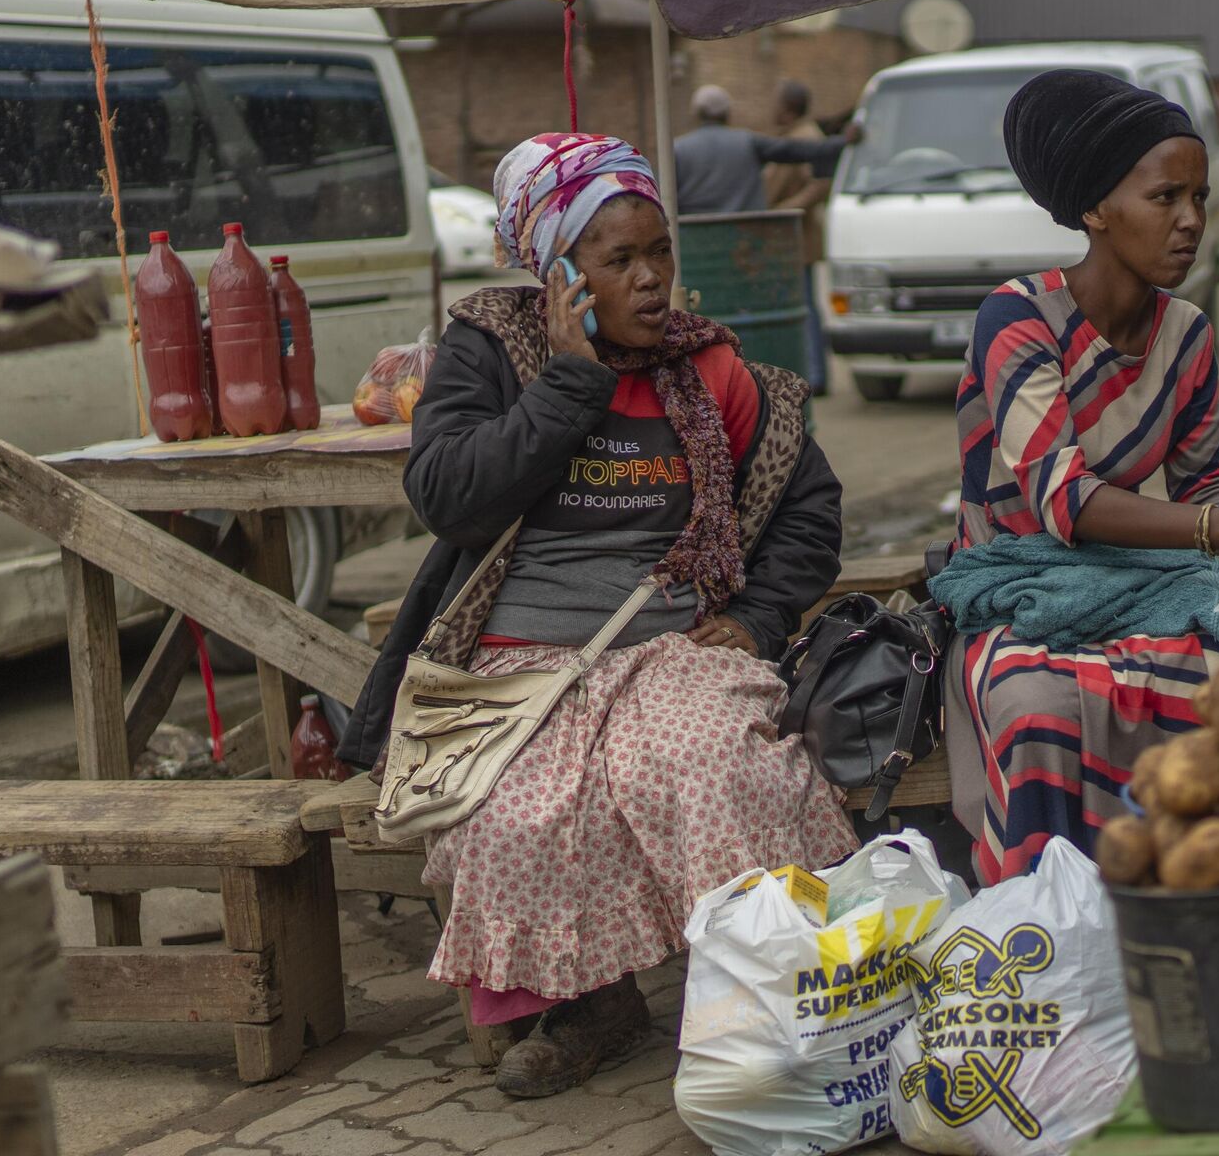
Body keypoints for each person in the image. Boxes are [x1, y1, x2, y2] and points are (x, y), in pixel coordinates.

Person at [344, 132, 858, 1098]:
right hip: (515, 661)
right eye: (619, 260)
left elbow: (806, 506)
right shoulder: (490, 349)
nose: (654, 279)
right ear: (559, 273)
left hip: (670, 643)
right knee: (515, 817)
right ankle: (593, 1008)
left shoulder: (712, 373)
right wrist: (572, 382)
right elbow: (449, 497)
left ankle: (761, 1002)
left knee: (715, 765)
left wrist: (753, 618)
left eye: (659, 251)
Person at [942, 70, 1219, 884]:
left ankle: (1195, 913)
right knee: (1035, 706)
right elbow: (1063, 500)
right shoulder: (1017, 319)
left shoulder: (1186, 336)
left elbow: (1207, 493)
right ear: (1096, 209)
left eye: (1199, 197)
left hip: (1136, 586)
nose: (1192, 221)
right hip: (1016, 594)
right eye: (1166, 198)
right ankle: (1043, 926)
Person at [673, 84, 852, 215]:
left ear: (695, 114)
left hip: (694, 240)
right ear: (728, 113)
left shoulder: (677, 149)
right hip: (746, 238)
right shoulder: (748, 141)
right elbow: (795, 150)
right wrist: (842, 141)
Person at [762, 80, 834, 395]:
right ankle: (813, 373)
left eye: (776, 102)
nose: (771, 109)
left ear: (788, 108)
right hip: (794, 238)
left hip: (797, 237)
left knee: (804, 307)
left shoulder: (804, 140)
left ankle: (815, 376)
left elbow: (819, 186)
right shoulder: (798, 136)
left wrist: (783, 210)